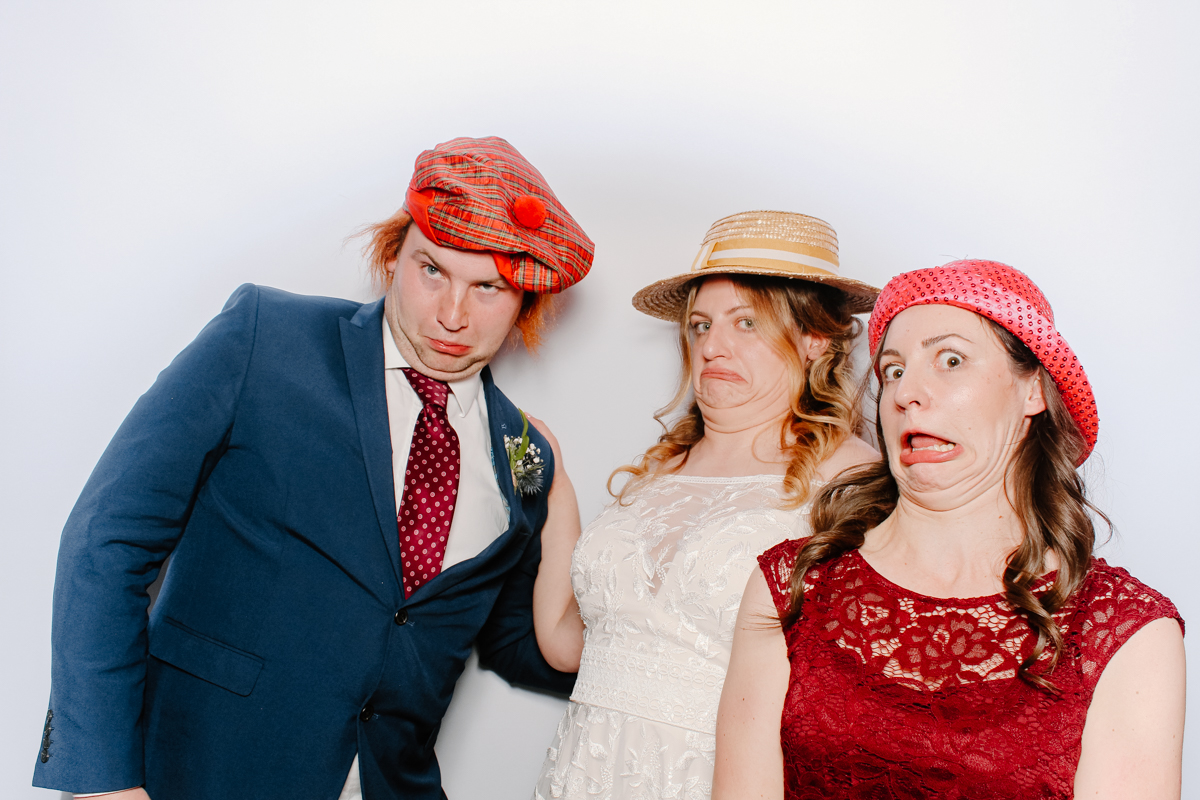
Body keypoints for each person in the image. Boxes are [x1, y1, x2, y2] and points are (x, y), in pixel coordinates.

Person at [33, 137, 593, 800]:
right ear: (393, 255)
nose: (452, 315)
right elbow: (109, 541)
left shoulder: (526, 453)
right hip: (199, 775)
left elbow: (511, 642)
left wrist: (564, 507)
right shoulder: (264, 339)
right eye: (432, 270)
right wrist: (102, 782)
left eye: (488, 288)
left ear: (526, 303)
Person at [714, 260, 1186, 799]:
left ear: (1033, 391)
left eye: (951, 360)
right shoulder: (793, 584)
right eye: (892, 370)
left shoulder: (1127, 631)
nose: (906, 391)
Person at [529, 210, 881, 800]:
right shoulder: (662, 468)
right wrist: (557, 485)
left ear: (815, 338)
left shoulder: (852, 479)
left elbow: (858, 701)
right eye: (699, 325)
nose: (712, 346)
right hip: (583, 773)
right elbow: (567, 645)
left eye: (747, 323)